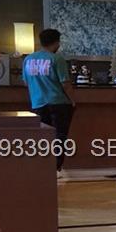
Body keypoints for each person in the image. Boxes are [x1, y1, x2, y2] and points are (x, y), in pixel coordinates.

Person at [22, 28, 74, 171]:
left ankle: (42, 167)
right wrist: (73, 100)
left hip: (37, 103)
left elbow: (26, 82)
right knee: (59, 136)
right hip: (59, 103)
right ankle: (55, 167)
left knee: (42, 137)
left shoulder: (28, 59)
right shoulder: (57, 59)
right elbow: (65, 83)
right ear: (57, 42)